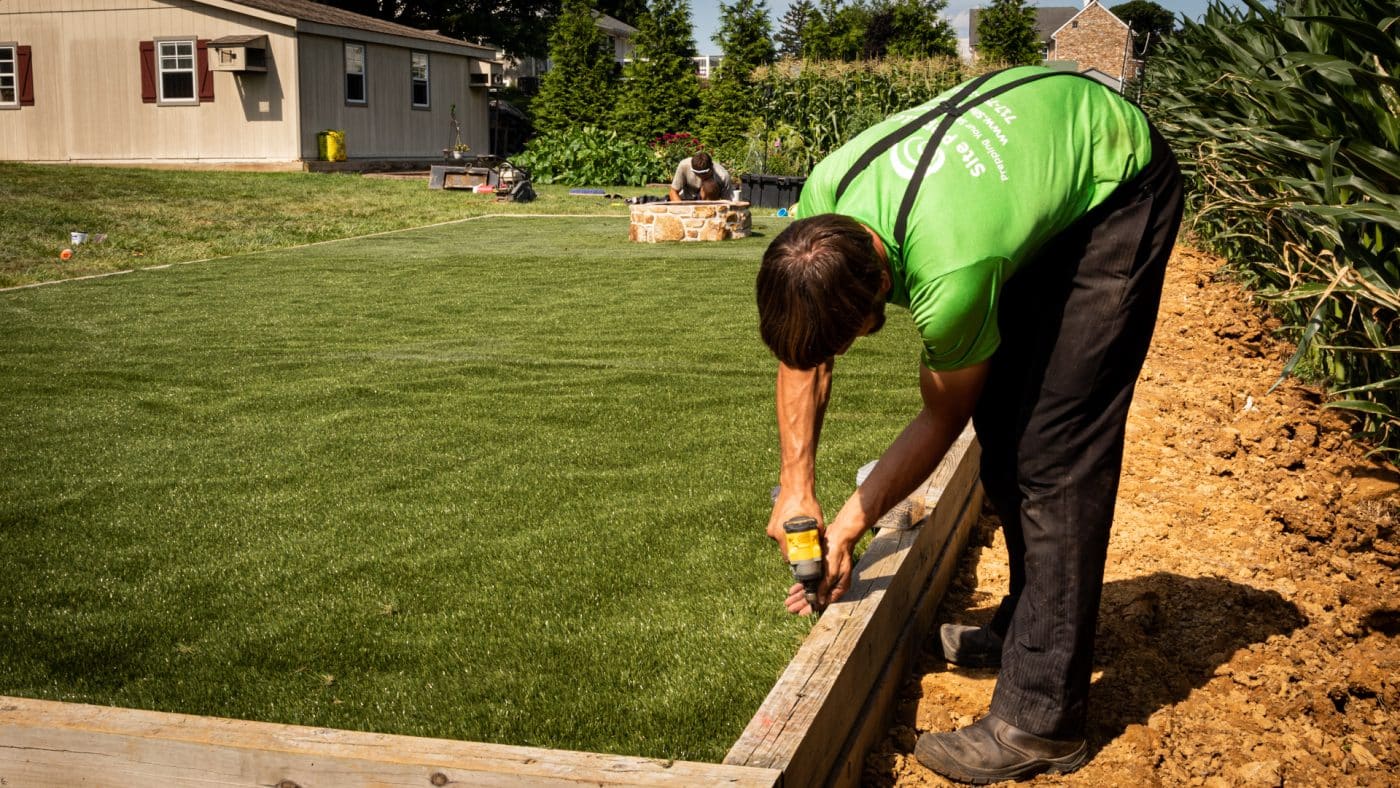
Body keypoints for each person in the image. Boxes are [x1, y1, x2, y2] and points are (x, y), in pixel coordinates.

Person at [755, 65, 1184, 784]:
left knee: (1052, 449)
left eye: (850, 337)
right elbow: (806, 355)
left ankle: (1042, 722)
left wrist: (851, 525)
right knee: (1004, 417)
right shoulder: (824, 201)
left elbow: (942, 414)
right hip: (1024, 170)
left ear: (880, 302)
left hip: (1118, 185)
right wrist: (795, 487)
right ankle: (1029, 625)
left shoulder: (952, 278)